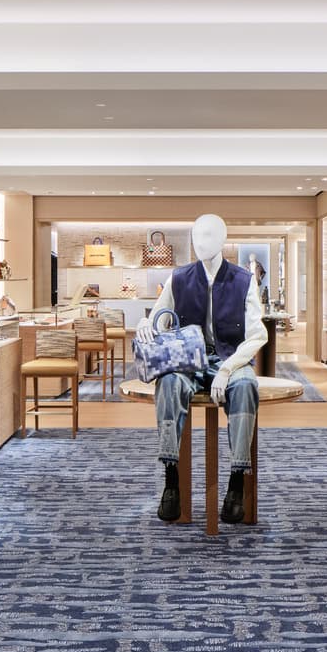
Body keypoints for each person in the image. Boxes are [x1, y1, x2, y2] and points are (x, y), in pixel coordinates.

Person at [137, 214, 267, 524]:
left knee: (246, 386)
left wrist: (227, 369)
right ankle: (171, 479)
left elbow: (257, 335)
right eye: (196, 235)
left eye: (208, 235)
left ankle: (236, 481)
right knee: (168, 383)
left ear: (222, 239)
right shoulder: (179, 277)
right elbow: (157, 318)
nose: (200, 242)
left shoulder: (243, 280)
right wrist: (144, 322)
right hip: (187, 359)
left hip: (230, 358)